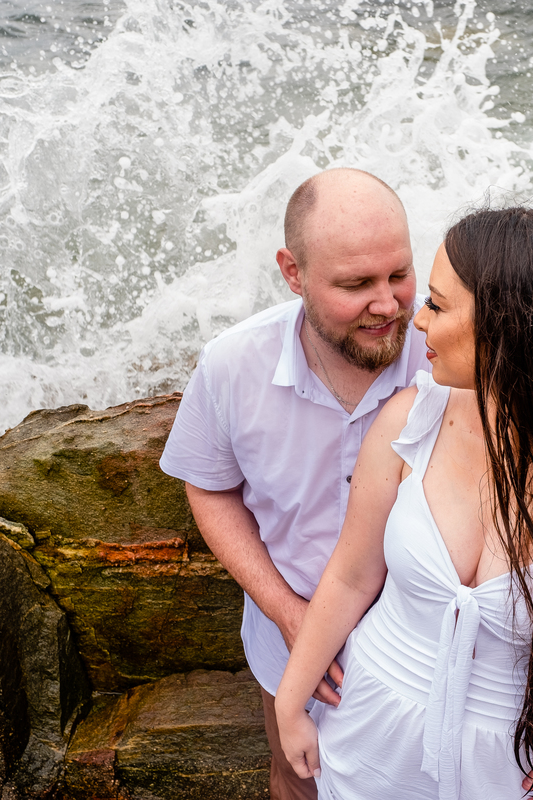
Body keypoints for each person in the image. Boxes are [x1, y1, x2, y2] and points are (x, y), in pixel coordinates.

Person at [274, 207, 533, 800]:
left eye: (438, 306)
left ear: (507, 325)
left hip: (512, 771)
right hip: (368, 740)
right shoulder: (411, 421)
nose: (416, 321)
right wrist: (293, 700)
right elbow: (350, 575)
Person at [158, 168, 432, 800]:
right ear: (293, 272)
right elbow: (210, 488)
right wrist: (288, 614)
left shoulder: (448, 357)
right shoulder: (232, 364)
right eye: (356, 284)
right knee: (296, 780)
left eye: (399, 275)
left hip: (424, 646)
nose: (388, 305)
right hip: (288, 627)